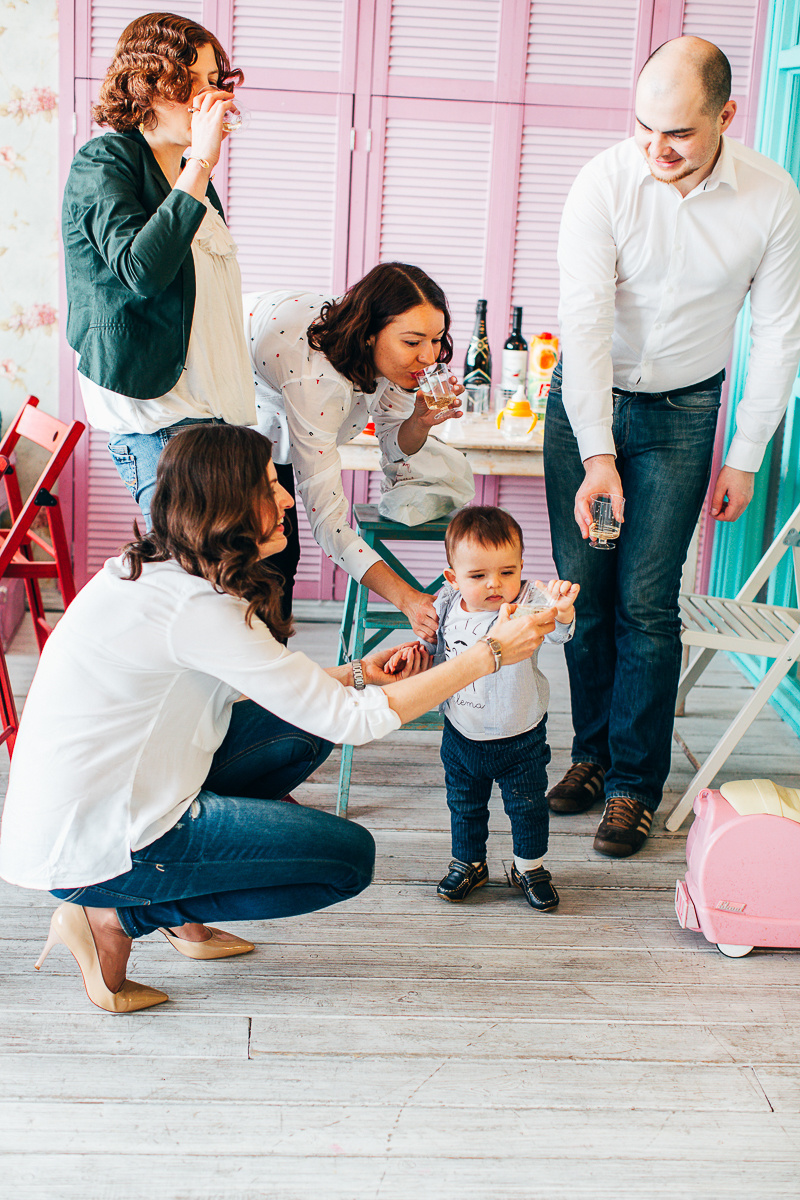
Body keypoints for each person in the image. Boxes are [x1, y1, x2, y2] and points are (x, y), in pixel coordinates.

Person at [0, 425, 553, 1014]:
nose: (287, 498)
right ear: (230, 505)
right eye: (270, 487)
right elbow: (354, 723)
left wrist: (359, 673)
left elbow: (275, 691)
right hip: (99, 839)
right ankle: (118, 912)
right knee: (346, 860)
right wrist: (489, 654)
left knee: (304, 727)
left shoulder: (167, 571)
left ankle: (175, 906)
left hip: (109, 795)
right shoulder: (198, 608)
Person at [543, 36, 800, 857]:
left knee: (647, 606)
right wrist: (595, 453)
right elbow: (581, 326)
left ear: (727, 116)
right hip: (587, 401)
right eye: (645, 127)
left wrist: (747, 453)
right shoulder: (603, 181)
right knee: (582, 602)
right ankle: (588, 758)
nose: (657, 149)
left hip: (688, 411)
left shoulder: (773, 196)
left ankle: (632, 787)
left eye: (680, 133)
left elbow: (781, 332)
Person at [62, 12, 255, 526]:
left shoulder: (194, 179)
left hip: (214, 417)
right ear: (145, 87)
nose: (205, 98)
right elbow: (141, 270)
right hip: (159, 419)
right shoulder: (105, 162)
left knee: (228, 573)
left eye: (212, 82)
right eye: (185, 82)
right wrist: (202, 162)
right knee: (189, 572)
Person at [244, 263, 466, 638]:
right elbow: (330, 525)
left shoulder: (394, 361)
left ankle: (270, 678)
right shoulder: (318, 381)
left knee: (281, 558)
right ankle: (256, 684)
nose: (429, 357)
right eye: (413, 342)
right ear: (367, 334)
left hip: (273, 409)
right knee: (262, 560)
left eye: (437, 339)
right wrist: (408, 599)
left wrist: (420, 421)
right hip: (207, 403)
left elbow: (393, 444)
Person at [408, 507, 578, 910]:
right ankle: (469, 863)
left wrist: (564, 611)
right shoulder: (447, 603)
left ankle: (529, 867)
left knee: (528, 807)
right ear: (453, 578)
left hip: (520, 735)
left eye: (506, 571)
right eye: (478, 575)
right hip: (461, 733)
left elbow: (560, 633)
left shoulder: (528, 604)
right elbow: (436, 651)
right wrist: (418, 650)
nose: (495, 584)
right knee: (464, 805)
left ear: (521, 566)